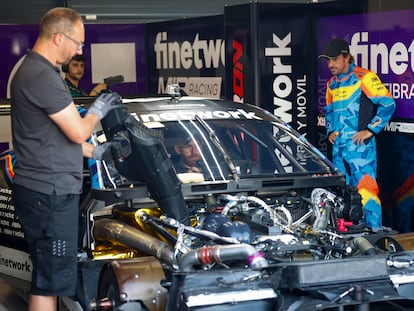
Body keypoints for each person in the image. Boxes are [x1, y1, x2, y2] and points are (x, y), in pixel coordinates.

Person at [10, 7, 121, 311]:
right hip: (50, 194)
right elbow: (76, 132)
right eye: (78, 43)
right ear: (59, 37)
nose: (79, 50)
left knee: (49, 278)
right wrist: (98, 109)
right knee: (49, 284)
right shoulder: (42, 76)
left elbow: (51, 138)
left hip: (42, 190)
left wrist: (96, 152)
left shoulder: (33, 71)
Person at [319, 38, 396, 228]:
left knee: (366, 191)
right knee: (342, 194)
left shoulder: (365, 77)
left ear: (347, 57)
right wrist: (330, 131)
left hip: (360, 150)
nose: (331, 64)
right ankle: (351, 235)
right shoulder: (331, 83)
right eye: (328, 60)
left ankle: (374, 234)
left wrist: (371, 129)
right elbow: (328, 111)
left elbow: (388, 103)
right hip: (339, 150)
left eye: (335, 59)